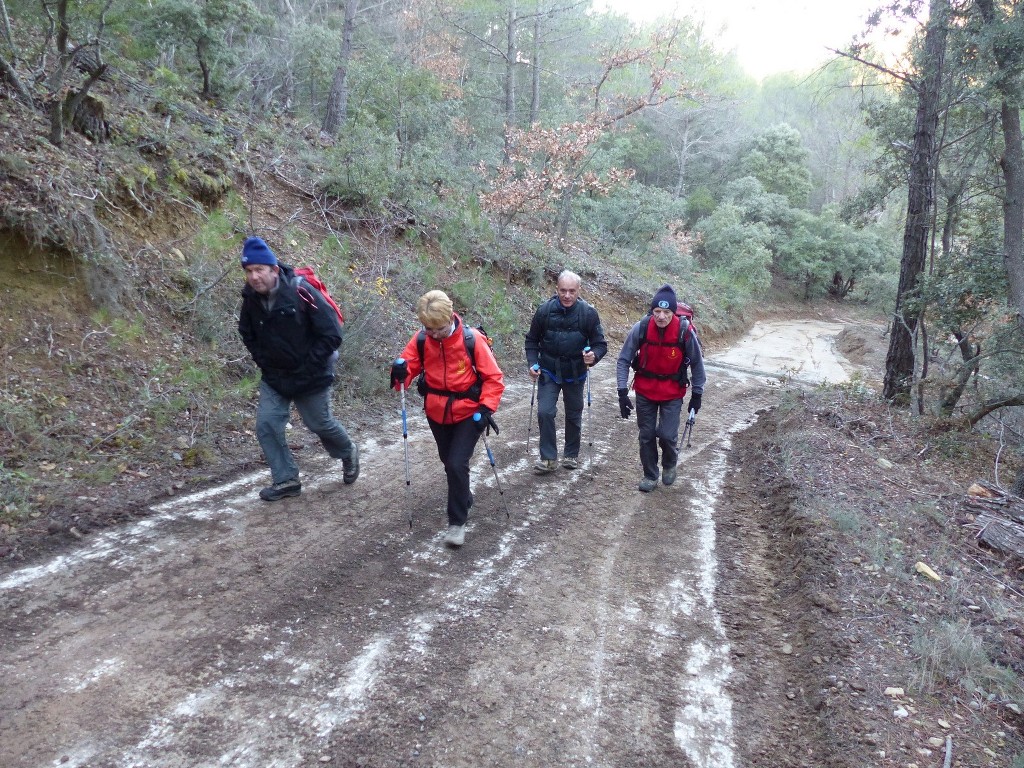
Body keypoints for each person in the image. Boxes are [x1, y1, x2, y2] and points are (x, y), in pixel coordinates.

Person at [237, 236, 359, 501]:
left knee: (320, 424)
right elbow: (246, 332)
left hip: (311, 374)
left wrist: (309, 365)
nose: (254, 277)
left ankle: (347, 451)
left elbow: (332, 334)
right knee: (267, 424)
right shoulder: (250, 299)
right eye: (249, 271)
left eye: (259, 269)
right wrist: (264, 362)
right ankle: (286, 480)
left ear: (274, 269)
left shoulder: (301, 291)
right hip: (275, 376)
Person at [390, 290, 504, 547]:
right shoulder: (421, 339)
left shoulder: (472, 339)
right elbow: (405, 375)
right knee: (448, 461)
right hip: (436, 412)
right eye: (429, 330)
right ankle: (464, 495)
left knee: (455, 462)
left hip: (469, 412)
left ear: (450, 317)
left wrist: (486, 410)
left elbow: (494, 378)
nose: (435, 335)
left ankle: (457, 523)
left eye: (439, 329)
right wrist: (399, 372)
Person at [615, 284, 705, 492]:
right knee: (646, 435)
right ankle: (650, 474)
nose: (661, 317)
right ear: (651, 311)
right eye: (657, 311)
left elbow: (697, 365)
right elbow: (623, 360)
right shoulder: (642, 327)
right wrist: (622, 391)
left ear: (673, 312)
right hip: (645, 390)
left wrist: (697, 394)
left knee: (666, 435)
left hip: (672, 392)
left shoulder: (684, 331)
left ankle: (670, 463)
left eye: (666, 312)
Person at [524, 270, 608, 473]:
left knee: (573, 413)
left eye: (572, 291)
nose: (567, 295)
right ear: (557, 290)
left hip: (575, 372)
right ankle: (548, 459)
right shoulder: (544, 311)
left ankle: (571, 455)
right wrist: (533, 363)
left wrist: (593, 357)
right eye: (563, 291)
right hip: (549, 370)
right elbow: (531, 340)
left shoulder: (588, 314)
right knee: (545, 412)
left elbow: (600, 344)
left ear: (579, 290)